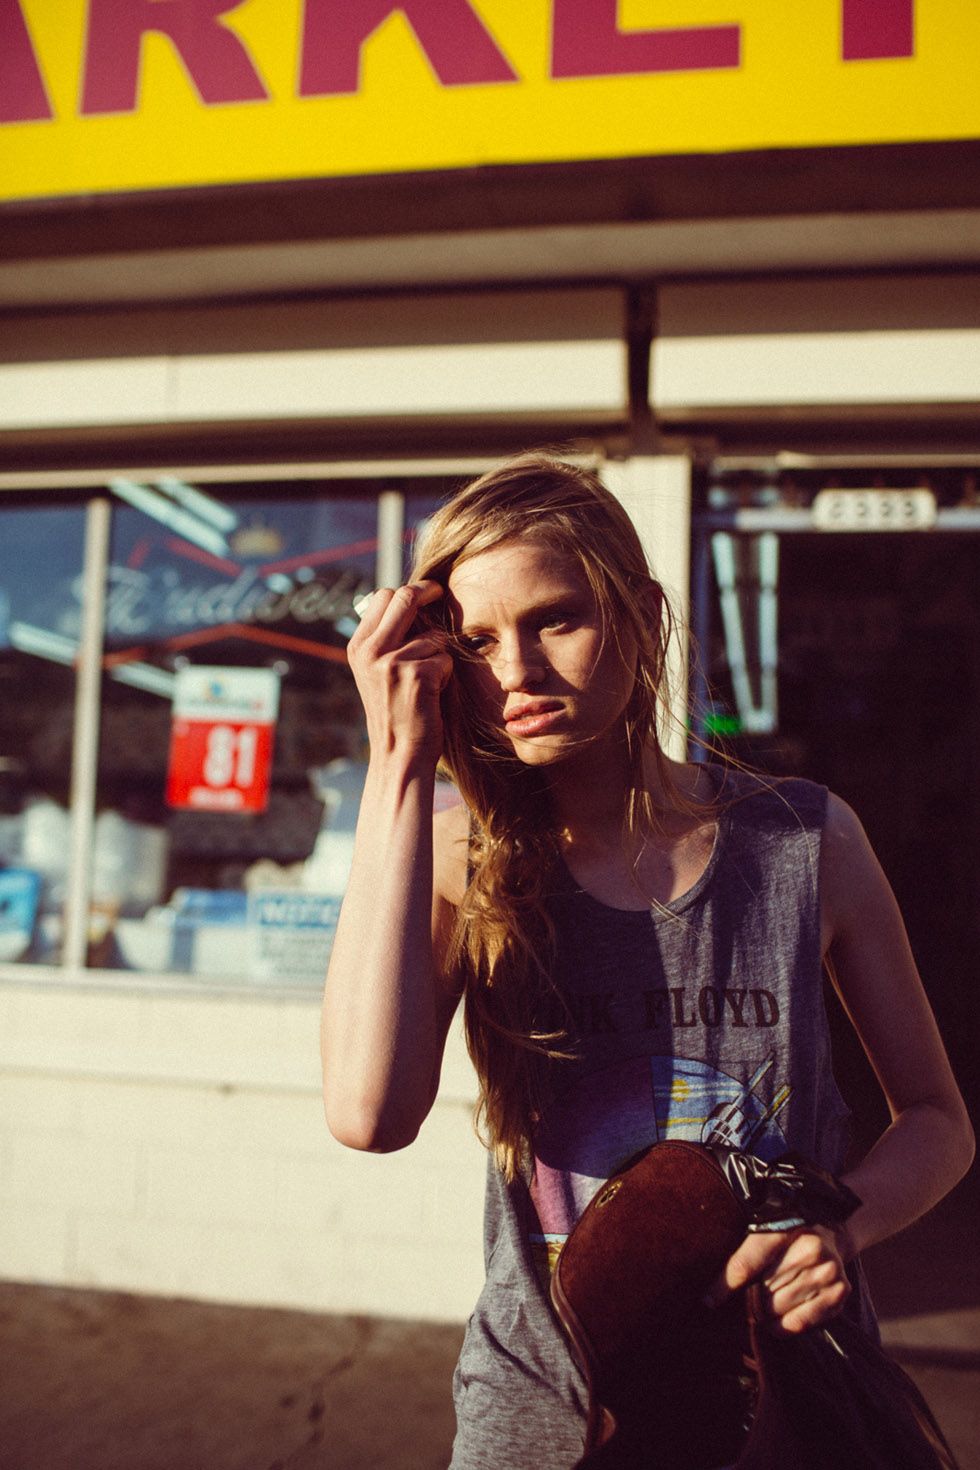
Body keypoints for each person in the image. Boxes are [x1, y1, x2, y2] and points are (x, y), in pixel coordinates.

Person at [320, 453, 974, 1469]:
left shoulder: (801, 840)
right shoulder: (463, 856)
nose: (517, 674)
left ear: (638, 613)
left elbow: (936, 1122)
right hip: (547, 1420)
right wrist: (397, 762)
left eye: (554, 620)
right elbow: (367, 1115)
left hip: (786, 1401)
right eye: (477, 642)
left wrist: (845, 1226)